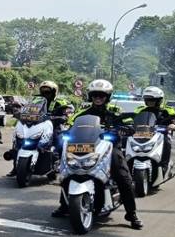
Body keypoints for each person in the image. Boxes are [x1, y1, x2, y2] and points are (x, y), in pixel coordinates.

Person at [54, 79, 143, 229]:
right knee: (66, 171)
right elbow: (70, 125)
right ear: (90, 96)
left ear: (107, 97)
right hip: (83, 147)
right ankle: (64, 205)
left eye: (101, 95)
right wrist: (64, 132)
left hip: (109, 147)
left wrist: (125, 128)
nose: (98, 98)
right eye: (95, 95)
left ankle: (131, 213)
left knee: (123, 177)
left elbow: (128, 123)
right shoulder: (82, 113)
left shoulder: (115, 112)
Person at [6, 80, 71, 176]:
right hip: (36, 124)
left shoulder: (60, 102)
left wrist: (62, 117)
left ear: (53, 92)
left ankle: (59, 165)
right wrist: (19, 112)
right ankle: (15, 167)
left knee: (60, 141)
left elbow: (67, 113)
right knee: (18, 139)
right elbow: (26, 109)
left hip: (53, 126)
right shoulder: (35, 100)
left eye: (47, 91)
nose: (45, 94)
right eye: (43, 91)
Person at [135, 86, 175, 174]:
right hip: (143, 133)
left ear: (159, 100)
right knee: (126, 140)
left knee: (167, 142)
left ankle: (164, 166)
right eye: (147, 99)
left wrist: (173, 125)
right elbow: (132, 120)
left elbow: (174, 122)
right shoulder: (140, 110)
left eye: (152, 100)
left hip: (161, 135)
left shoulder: (166, 110)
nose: (149, 102)